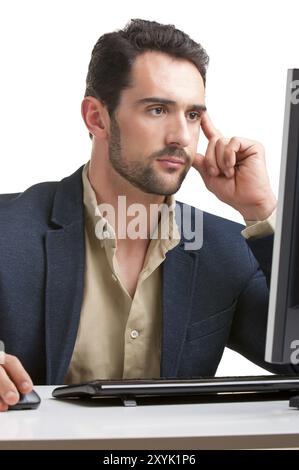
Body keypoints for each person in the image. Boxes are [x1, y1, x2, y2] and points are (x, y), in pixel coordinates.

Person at [0, 19, 297, 412]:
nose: (181, 136)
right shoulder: (9, 231)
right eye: (158, 109)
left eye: (193, 115)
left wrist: (262, 212)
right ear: (96, 117)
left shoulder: (225, 249)